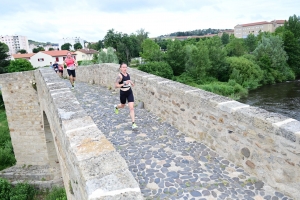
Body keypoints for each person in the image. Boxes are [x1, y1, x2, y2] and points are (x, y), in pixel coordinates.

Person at [114, 63, 138, 129]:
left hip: (129, 92)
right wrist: (123, 83)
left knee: (131, 108)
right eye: (123, 67)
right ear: (120, 68)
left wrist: (131, 82)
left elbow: (128, 81)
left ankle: (133, 123)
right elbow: (116, 86)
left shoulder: (128, 74)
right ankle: (116, 107)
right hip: (123, 93)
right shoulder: (120, 76)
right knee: (122, 106)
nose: (125, 69)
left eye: (126, 67)